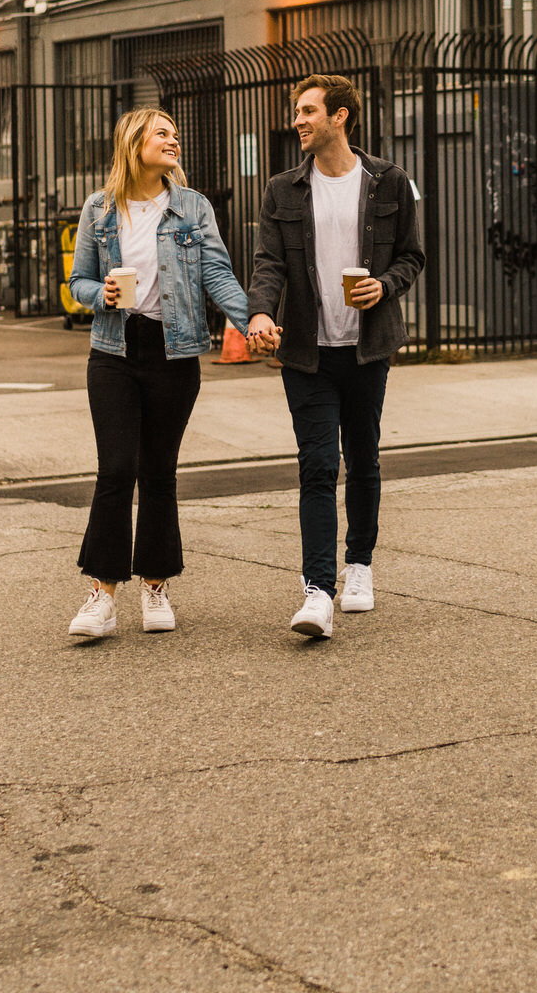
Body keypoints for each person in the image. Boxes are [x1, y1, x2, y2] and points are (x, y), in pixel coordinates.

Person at [247, 74, 424, 639]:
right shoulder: (283, 189)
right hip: (308, 350)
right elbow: (269, 263)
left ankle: (360, 567)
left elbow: (412, 256)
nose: (297, 120)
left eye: (307, 111)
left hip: (367, 347)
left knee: (364, 459)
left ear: (339, 117)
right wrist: (259, 314)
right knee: (318, 466)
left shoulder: (388, 181)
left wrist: (386, 286)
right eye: (296, 112)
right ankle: (318, 590)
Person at [66, 107, 249, 639]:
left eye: (175, 134)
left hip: (174, 352)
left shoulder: (192, 207)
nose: (174, 141)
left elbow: (217, 271)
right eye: (162, 133)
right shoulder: (99, 210)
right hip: (114, 350)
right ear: (134, 142)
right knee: (116, 470)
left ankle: (155, 584)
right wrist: (98, 293)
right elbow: (78, 281)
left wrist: (252, 319)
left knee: (159, 473)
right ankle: (102, 595)